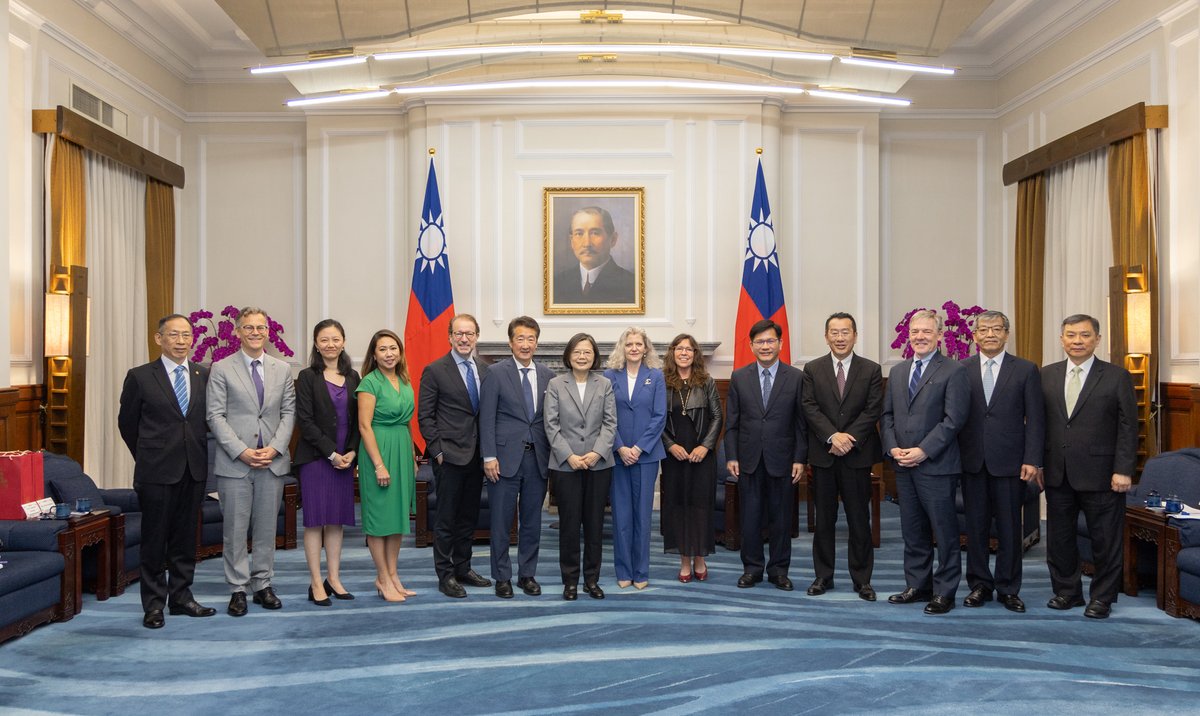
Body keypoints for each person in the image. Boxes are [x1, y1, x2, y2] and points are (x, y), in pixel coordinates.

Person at [117, 314, 217, 629]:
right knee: (154, 540)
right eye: (173, 335)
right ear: (159, 338)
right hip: (156, 472)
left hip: (194, 469)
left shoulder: (204, 374)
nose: (180, 341)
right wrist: (149, 454)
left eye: (186, 335)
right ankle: (154, 605)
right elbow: (127, 424)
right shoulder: (141, 376)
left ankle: (182, 597)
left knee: (186, 539)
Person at [1041, 314, 1137, 619]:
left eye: (1084, 335)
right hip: (1057, 471)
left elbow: (1128, 427)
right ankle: (1067, 592)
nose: (1077, 341)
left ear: (1097, 339)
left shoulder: (1116, 376)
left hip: (1103, 474)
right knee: (1060, 539)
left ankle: (1102, 597)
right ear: (1061, 339)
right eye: (1071, 335)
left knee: (1105, 540)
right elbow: (1037, 425)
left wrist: (1124, 469)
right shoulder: (1046, 375)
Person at [207, 306, 296, 616]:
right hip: (236, 462)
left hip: (272, 461)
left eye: (260, 327)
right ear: (237, 331)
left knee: (266, 526)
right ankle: (237, 589)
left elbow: (288, 413)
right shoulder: (221, 368)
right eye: (249, 327)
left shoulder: (282, 369)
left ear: (268, 332)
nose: (255, 332)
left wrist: (274, 448)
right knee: (234, 528)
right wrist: (242, 451)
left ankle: (262, 584)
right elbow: (214, 416)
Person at [881, 309, 970, 615]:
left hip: (936, 465)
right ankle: (918, 585)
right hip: (902, 465)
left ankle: (945, 591)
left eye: (927, 332)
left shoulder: (954, 371)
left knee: (944, 531)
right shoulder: (898, 371)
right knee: (913, 529)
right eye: (915, 332)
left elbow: (953, 420)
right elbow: (888, 416)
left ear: (939, 336)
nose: (920, 337)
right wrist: (893, 449)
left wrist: (923, 450)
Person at [957, 310, 1044, 613]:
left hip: (1011, 463)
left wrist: (1033, 459)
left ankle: (1008, 588)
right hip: (972, 462)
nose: (990, 334)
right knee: (976, 528)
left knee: (1009, 529)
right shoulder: (961, 370)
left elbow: (1036, 419)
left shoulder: (1025, 370)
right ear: (974, 335)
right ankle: (980, 584)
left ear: (1007, 334)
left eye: (997, 329)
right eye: (984, 329)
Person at [800, 313, 883, 601]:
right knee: (824, 520)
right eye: (834, 332)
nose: (839, 337)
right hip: (824, 456)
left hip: (857, 456)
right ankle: (823, 576)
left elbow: (873, 410)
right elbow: (809, 407)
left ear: (855, 336)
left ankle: (862, 580)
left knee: (859, 520)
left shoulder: (871, 369)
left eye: (845, 332)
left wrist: (847, 439)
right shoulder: (812, 369)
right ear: (826, 337)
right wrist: (831, 436)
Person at [724, 318, 808, 591]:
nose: (765, 346)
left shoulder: (796, 378)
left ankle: (779, 571)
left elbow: (800, 423)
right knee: (749, 517)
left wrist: (799, 458)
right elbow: (732, 422)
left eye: (770, 340)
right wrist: (732, 456)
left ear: (780, 344)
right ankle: (752, 568)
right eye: (759, 341)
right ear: (751, 345)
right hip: (748, 459)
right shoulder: (739, 376)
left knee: (781, 518)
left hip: (783, 459)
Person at [479, 316, 556, 598]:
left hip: (537, 459)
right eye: (520, 339)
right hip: (503, 459)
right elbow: (486, 418)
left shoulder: (548, 375)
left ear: (537, 342)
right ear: (511, 342)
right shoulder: (495, 373)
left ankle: (527, 574)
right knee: (500, 522)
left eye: (531, 339)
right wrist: (488, 456)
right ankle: (502, 576)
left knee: (532, 521)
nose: (526, 344)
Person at [417, 314, 493, 599]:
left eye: (470, 334)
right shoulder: (435, 370)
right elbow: (425, 416)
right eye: (459, 334)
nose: (464, 339)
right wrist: (437, 452)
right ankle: (445, 574)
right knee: (446, 518)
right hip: (448, 457)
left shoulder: (486, 371)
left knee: (468, 517)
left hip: (477, 457)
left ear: (476, 337)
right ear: (449, 337)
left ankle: (463, 567)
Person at [544, 333, 617, 601]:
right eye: (577, 352)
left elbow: (611, 423)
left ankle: (592, 579)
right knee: (570, 525)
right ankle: (570, 581)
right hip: (566, 466)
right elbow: (550, 424)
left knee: (595, 525)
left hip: (599, 465)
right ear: (569, 355)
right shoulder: (555, 384)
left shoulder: (605, 384)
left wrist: (597, 453)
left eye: (587, 352)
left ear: (594, 355)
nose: (582, 356)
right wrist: (569, 455)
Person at [293, 319, 359, 606]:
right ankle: (316, 582)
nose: (330, 344)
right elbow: (305, 421)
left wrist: (353, 452)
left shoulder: (354, 376)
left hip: (346, 459)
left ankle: (334, 578)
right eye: (324, 340)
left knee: (336, 521)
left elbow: (359, 421)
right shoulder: (307, 377)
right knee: (315, 522)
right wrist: (332, 453)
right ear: (316, 344)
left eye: (335, 339)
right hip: (317, 459)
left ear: (343, 341)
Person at [356, 329, 418, 603]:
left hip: (402, 450)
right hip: (378, 451)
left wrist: (413, 457)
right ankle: (381, 577)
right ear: (374, 354)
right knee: (379, 519)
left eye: (393, 348)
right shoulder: (369, 383)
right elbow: (364, 426)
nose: (389, 354)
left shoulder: (404, 380)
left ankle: (393, 574)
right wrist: (379, 465)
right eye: (383, 349)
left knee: (397, 519)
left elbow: (407, 422)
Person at [605, 326, 667, 589]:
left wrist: (639, 448)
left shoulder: (656, 376)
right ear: (622, 347)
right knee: (621, 516)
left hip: (646, 456)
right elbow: (605, 415)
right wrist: (620, 447)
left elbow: (659, 416)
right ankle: (624, 570)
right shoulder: (609, 376)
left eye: (638, 344)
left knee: (642, 516)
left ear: (645, 348)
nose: (633, 348)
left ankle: (641, 572)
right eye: (629, 344)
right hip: (617, 456)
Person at [660, 333, 722, 583]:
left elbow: (717, 417)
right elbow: (657, 419)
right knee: (678, 507)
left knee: (700, 507)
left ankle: (700, 557)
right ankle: (684, 559)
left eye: (689, 349)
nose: (684, 353)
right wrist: (670, 445)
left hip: (701, 457)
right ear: (672, 352)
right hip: (674, 456)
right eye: (679, 348)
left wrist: (705, 447)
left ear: (695, 354)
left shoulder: (706, 381)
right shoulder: (661, 381)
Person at [553, 206, 636, 304]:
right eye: (579, 234)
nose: (587, 244)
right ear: (572, 241)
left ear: (613, 239)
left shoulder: (631, 285)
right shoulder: (557, 283)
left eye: (595, 233)